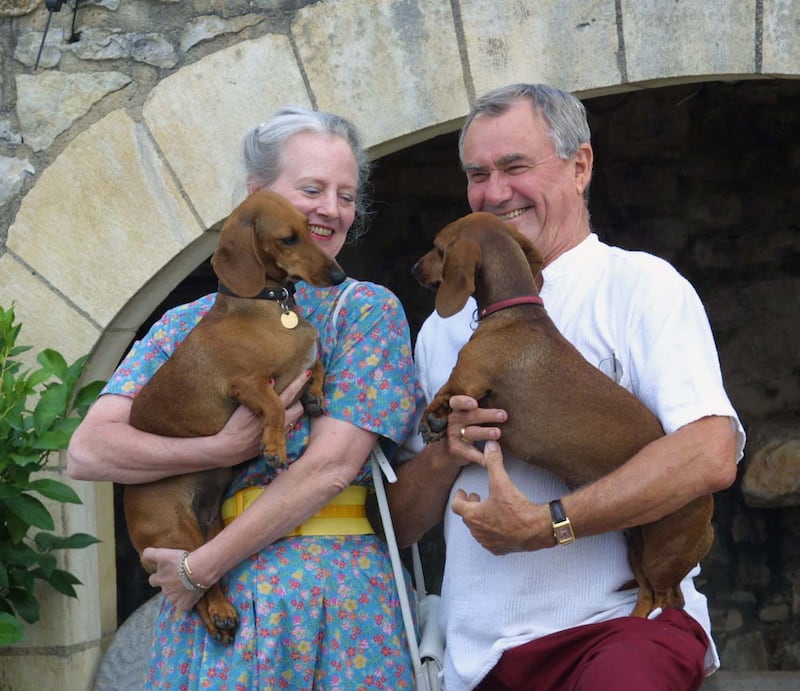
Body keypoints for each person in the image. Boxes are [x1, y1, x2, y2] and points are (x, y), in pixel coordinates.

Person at [390, 83, 745, 691]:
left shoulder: (640, 286)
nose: (495, 191)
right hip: (477, 658)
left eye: (515, 166)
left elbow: (710, 451)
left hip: (622, 630)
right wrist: (448, 449)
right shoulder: (440, 330)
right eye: (477, 174)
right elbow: (400, 527)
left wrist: (548, 524)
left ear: (580, 166)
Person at [68, 107, 422, 689]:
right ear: (258, 196)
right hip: (210, 604)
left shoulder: (365, 310)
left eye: (346, 195)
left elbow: (331, 468)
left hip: (334, 598)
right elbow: (88, 452)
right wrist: (219, 448)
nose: (330, 209)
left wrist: (199, 568)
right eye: (311, 189)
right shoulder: (184, 323)